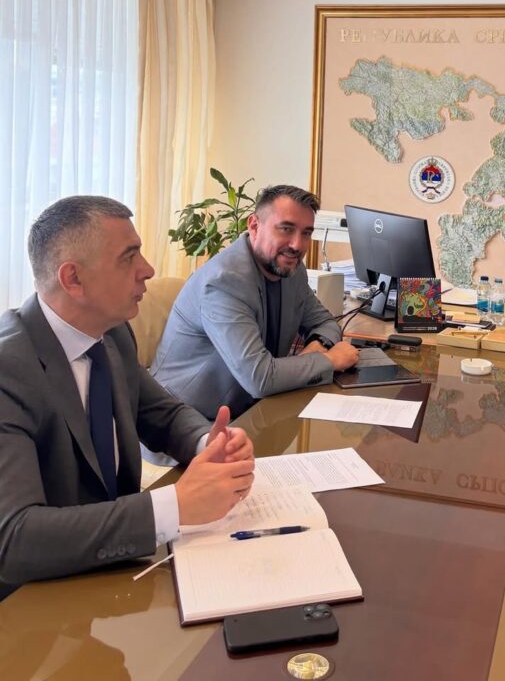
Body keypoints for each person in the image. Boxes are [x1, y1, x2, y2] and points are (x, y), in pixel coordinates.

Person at [0, 196, 255, 600]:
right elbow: (16, 538)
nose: (148, 269)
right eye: (128, 257)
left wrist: (209, 442)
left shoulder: (112, 333)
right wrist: (174, 506)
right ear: (73, 279)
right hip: (35, 604)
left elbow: (163, 414)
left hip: (118, 577)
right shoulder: (8, 368)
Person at [150, 184, 358, 419]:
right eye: (286, 229)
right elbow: (260, 378)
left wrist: (317, 344)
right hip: (187, 421)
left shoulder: (292, 271)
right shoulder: (223, 282)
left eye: (306, 233)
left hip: (254, 409)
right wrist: (328, 360)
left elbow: (326, 322)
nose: (297, 245)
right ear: (254, 226)